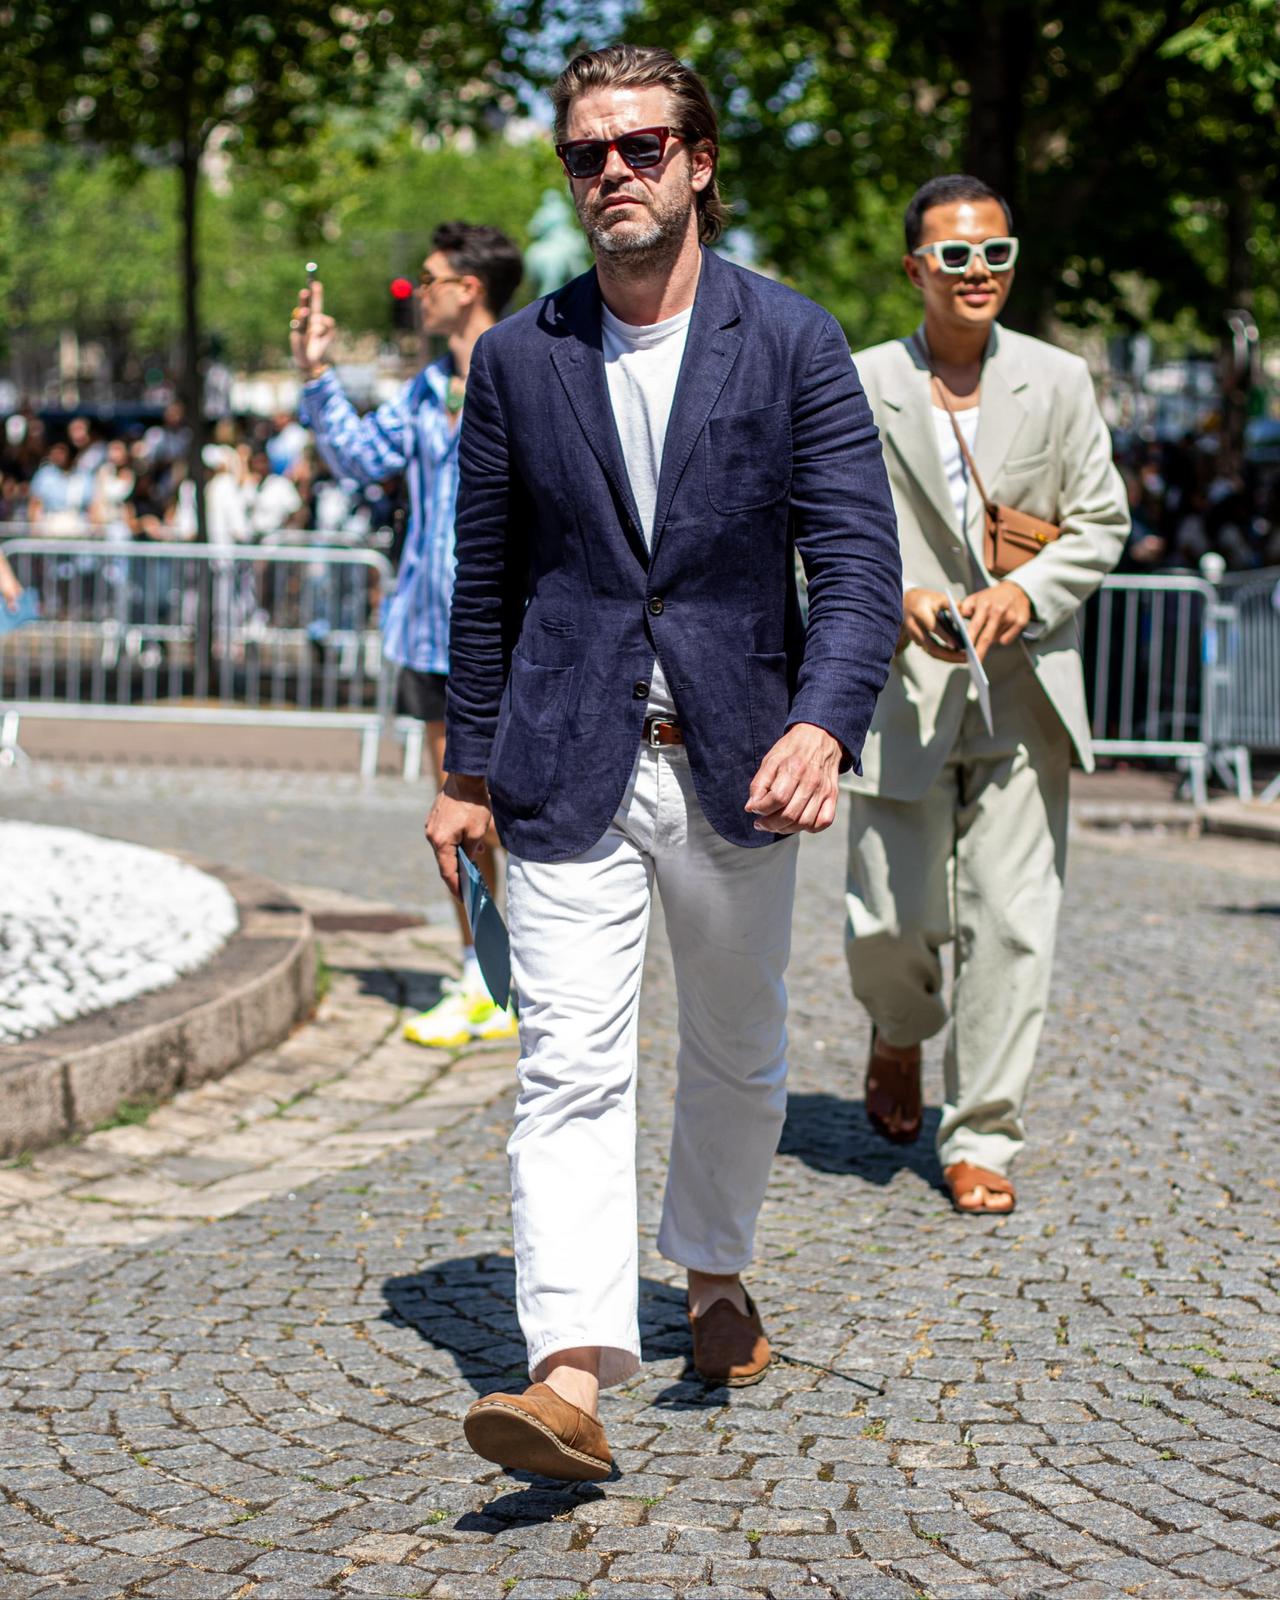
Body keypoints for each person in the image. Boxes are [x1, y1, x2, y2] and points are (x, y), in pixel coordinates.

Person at [425, 43, 901, 1481]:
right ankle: (566, 1372)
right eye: (588, 154)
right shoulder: (521, 358)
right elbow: (488, 576)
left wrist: (825, 721)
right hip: (567, 763)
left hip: (744, 761)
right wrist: (463, 766)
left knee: (736, 1052)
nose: (613, 173)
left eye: (641, 147)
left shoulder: (795, 339)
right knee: (566, 1065)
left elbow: (859, 566)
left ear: (698, 163)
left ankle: (708, 1272)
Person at [842, 174, 1129, 1216]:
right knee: (887, 922)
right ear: (914, 267)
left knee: (1011, 920)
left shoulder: (1056, 380)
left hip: (1021, 690)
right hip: (896, 685)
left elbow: (1099, 522)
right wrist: (898, 595)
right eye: (953, 256)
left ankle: (982, 1136)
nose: (976, 273)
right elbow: (817, 525)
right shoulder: (859, 377)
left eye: (994, 254)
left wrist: (1023, 590)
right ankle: (896, 1031)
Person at [291, 222, 525, 1048]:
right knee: (462, 818)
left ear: (469, 288)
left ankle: (531, 979)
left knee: (527, 816)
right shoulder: (428, 389)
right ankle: (486, 978)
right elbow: (357, 458)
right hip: (435, 632)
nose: (417, 292)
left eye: (429, 279)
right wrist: (316, 369)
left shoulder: (533, 370)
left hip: (523, 634)